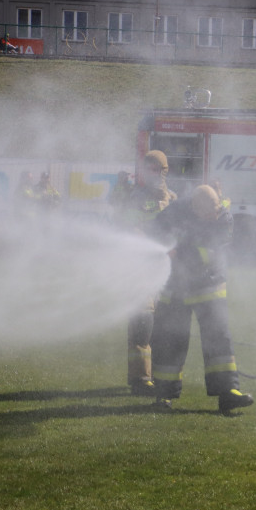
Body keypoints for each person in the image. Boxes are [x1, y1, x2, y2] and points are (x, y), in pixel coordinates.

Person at [149, 183, 254, 414]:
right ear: (194, 207)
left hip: (209, 284)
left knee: (219, 337)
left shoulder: (224, 218)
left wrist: (178, 251)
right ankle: (163, 395)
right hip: (175, 287)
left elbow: (208, 250)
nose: (213, 215)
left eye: (215, 210)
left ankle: (228, 392)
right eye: (208, 213)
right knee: (169, 339)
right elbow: (155, 231)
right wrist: (165, 245)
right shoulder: (175, 211)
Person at [115, 154, 174, 395]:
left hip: (165, 272)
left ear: (165, 170)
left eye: (157, 169)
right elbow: (126, 227)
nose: (153, 173)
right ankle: (140, 379)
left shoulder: (172, 199)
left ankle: (160, 376)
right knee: (142, 323)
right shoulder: (136, 198)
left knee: (163, 327)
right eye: (148, 168)